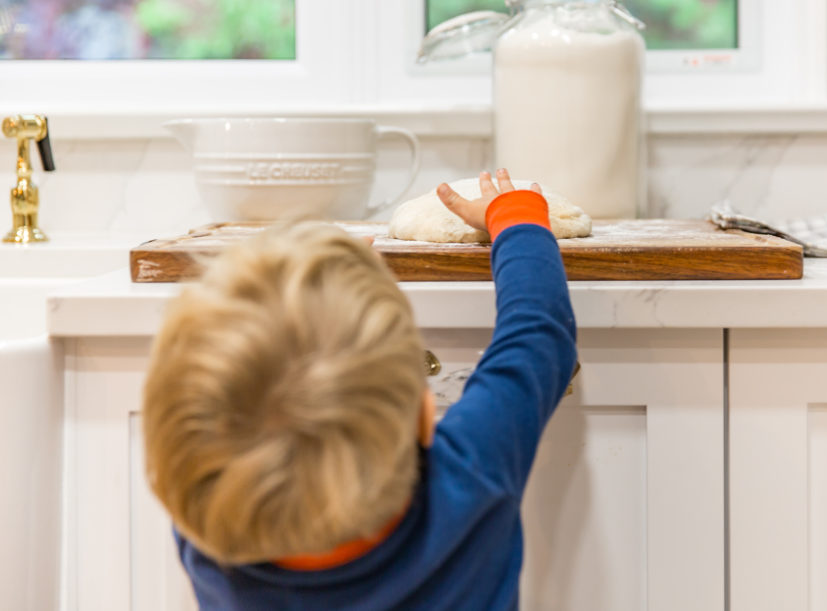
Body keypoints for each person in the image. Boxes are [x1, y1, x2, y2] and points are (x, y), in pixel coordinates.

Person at [142, 169, 577, 610]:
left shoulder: (209, 536)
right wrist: (517, 218)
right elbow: (536, 335)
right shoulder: (469, 476)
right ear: (425, 417)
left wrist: (325, 281)